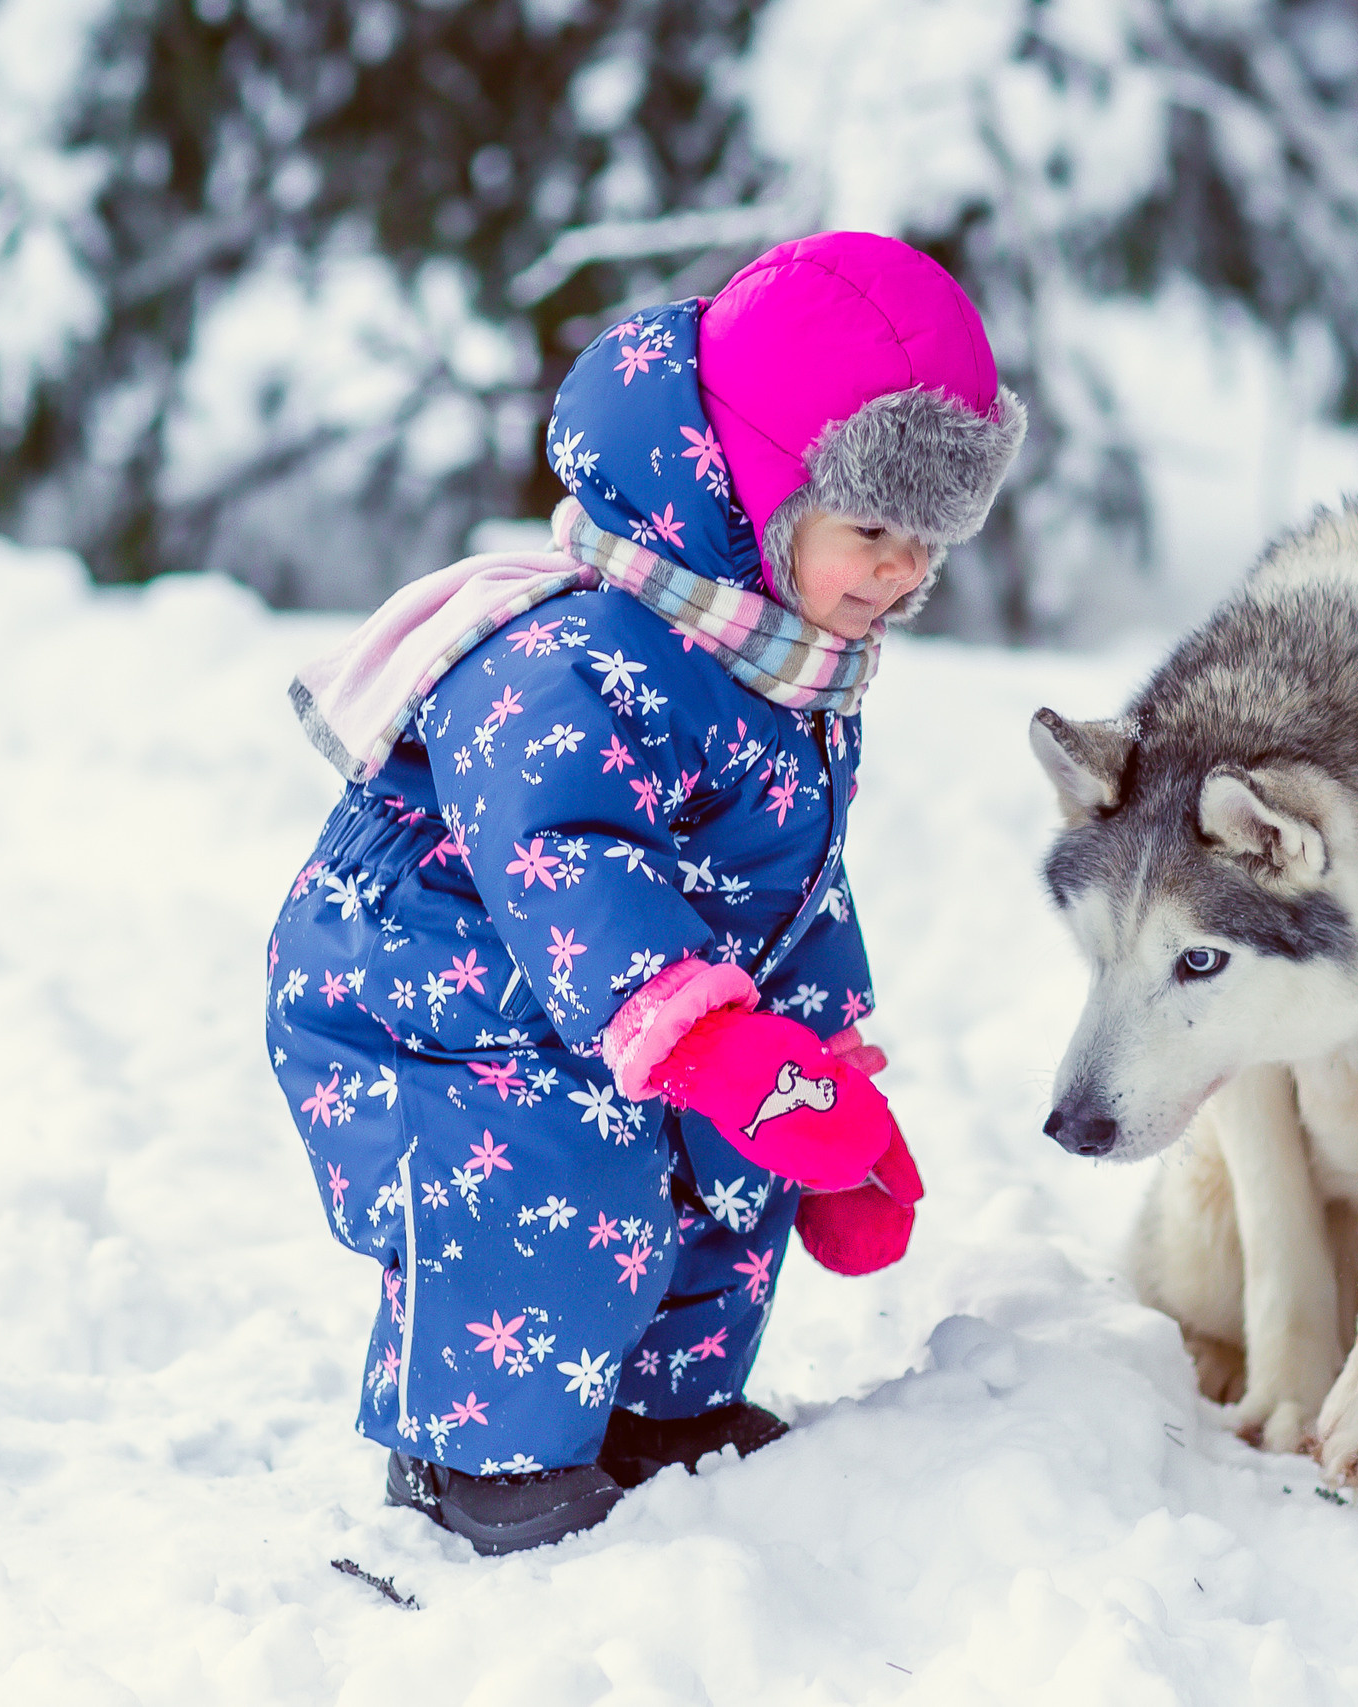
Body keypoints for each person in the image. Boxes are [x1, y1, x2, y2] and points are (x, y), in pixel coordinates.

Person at [266, 232, 1025, 1554]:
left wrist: (820, 1072)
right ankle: (481, 1465)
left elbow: (785, 885)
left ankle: (661, 1410)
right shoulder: (567, 655)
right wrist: (710, 1036)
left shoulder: (789, 665)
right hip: (440, 992)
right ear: (759, 490)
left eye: (933, 542)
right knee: (561, 1183)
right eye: (875, 530)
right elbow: (563, 851)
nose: (904, 573)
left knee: (729, 1153)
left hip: (623, 992)